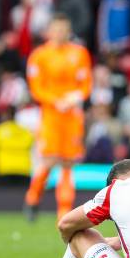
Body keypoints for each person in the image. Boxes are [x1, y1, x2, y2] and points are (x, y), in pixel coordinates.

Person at [23, 13, 93, 221]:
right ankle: (33, 197)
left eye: (64, 29)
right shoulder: (39, 55)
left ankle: (64, 210)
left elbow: (85, 83)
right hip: (51, 115)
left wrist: (75, 97)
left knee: (68, 162)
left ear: (68, 31)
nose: (60, 33)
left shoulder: (79, 53)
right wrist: (56, 101)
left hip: (72, 115)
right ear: (50, 31)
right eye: (57, 29)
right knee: (49, 159)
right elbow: (36, 88)